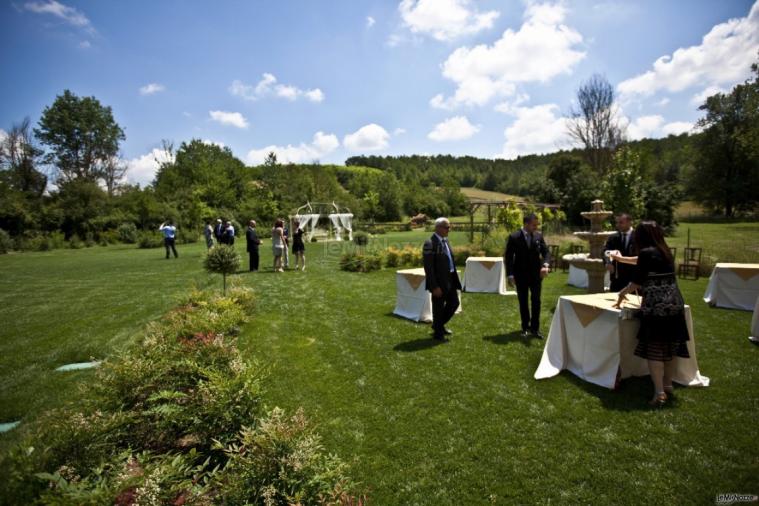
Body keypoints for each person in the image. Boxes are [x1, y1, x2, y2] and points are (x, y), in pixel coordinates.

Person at [612, 221, 690, 407]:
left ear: (642, 237)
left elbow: (637, 282)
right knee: (670, 349)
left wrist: (621, 294)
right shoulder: (665, 251)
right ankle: (668, 385)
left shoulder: (647, 253)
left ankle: (659, 393)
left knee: (655, 352)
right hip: (676, 306)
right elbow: (640, 261)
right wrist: (622, 259)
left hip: (656, 309)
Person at [504, 213, 551, 338]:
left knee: (536, 301)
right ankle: (525, 327)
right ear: (526, 224)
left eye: (537, 224)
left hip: (536, 276)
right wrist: (509, 275)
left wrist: (545, 264)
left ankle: (535, 329)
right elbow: (508, 258)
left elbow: (546, 252)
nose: (536, 227)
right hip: (521, 275)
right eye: (534, 225)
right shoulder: (514, 237)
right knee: (523, 302)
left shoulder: (538, 236)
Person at [423, 217, 462, 341]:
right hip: (438, 282)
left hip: (450, 279)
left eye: (449, 227)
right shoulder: (429, 243)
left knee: (454, 303)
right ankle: (438, 333)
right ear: (438, 227)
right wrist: (434, 286)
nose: (449, 229)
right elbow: (428, 268)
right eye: (447, 227)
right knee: (438, 308)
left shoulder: (446, 241)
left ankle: (438, 325)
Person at [604, 213, 636, 292]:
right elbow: (605, 251)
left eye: (621, 222)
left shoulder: (639, 236)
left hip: (633, 279)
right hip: (616, 278)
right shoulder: (613, 237)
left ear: (630, 222)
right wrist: (608, 262)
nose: (618, 225)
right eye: (617, 222)